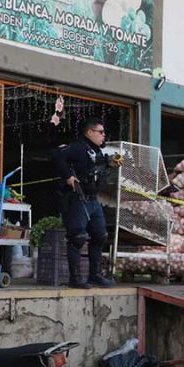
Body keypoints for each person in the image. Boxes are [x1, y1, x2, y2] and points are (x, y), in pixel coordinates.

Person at [52, 119, 121, 289]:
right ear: (89, 132)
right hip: (77, 197)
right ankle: (75, 278)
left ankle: (95, 275)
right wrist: (68, 176)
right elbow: (56, 155)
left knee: (100, 235)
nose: (103, 135)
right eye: (100, 132)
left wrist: (110, 162)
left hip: (93, 198)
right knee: (78, 237)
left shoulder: (97, 151)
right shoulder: (78, 147)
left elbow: (94, 166)